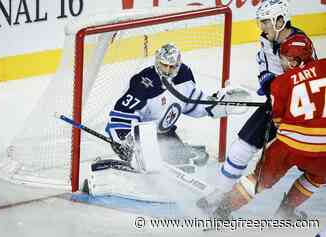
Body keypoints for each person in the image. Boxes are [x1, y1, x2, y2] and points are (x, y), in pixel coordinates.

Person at [196, 0, 318, 211]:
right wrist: (267, 82)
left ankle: (285, 210)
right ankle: (221, 193)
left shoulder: (299, 45)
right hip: (277, 105)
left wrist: (274, 90)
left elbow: (306, 84)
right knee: (240, 149)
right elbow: (264, 68)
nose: (261, 28)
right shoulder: (267, 40)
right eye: (260, 22)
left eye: (265, 22)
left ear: (280, 20)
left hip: (300, 114)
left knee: (304, 165)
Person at [104, 43, 250, 172]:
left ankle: (181, 151)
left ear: (178, 64)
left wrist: (220, 106)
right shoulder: (143, 83)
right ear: (157, 61)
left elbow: (192, 104)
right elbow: (120, 116)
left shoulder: (184, 75)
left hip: (163, 133)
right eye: (164, 65)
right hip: (132, 138)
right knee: (154, 172)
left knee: (185, 167)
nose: (167, 70)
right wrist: (127, 142)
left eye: (172, 66)